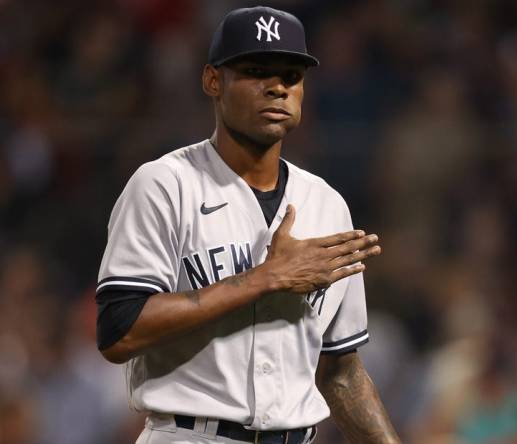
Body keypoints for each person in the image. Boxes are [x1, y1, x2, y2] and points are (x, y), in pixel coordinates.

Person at [95, 6, 400, 444]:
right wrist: (264, 279)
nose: (276, 87)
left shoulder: (326, 204)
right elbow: (119, 331)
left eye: (291, 76)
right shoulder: (165, 184)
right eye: (256, 71)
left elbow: (340, 371)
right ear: (212, 81)